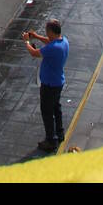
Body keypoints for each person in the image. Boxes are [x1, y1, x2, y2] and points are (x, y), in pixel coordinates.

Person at [22, 19, 69, 153]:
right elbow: (50, 41)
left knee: (47, 112)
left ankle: (51, 140)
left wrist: (26, 41)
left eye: (47, 32)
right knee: (56, 108)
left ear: (51, 32)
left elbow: (34, 53)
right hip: (58, 82)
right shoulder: (63, 42)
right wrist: (36, 36)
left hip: (49, 85)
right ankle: (60, 133)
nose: (46, 34)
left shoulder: (53, 48)